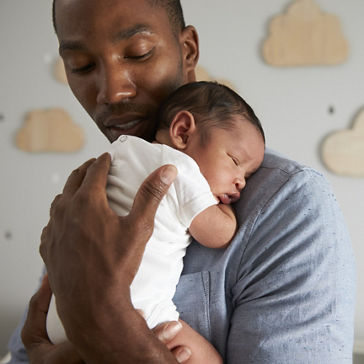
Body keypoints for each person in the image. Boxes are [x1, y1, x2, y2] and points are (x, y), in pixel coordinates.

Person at [7, 0, 355, 363]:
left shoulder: (289, 207)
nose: (112, 92)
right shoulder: (90, 196)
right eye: (81, 65)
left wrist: (111, 328)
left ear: (187, 50)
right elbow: (28, 348)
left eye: (138, 53)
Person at [46, 81, 266, 363]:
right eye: (235, 161)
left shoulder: (120, 152)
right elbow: (219, 234)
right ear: (182, 131)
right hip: (138, 313)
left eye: (247, 175)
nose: (240, 182)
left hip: (61, 316)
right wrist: (226, 211)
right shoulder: (182, 170)